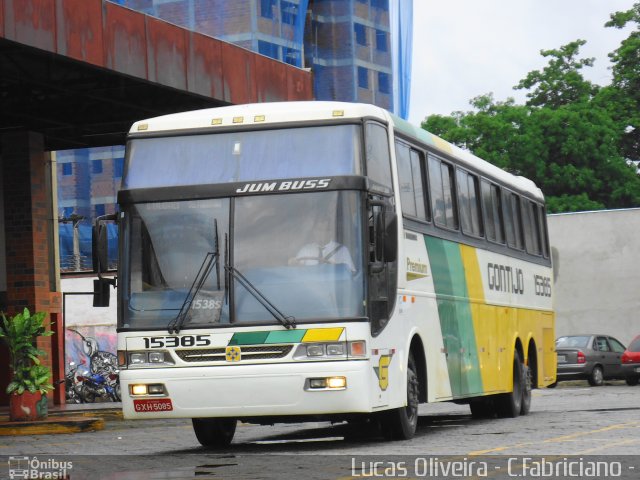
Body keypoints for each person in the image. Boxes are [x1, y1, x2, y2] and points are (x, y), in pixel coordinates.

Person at [290, 217, 356, 273]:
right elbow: (296, 271)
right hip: (310, 286)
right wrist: (295, 264)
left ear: (331, 232)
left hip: (334, 287)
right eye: (319, 229)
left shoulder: (342, 250)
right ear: (314, 231)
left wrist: (337, 267)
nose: (322, 233)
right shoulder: (306, 249)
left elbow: (351, 273)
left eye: (325, 230)